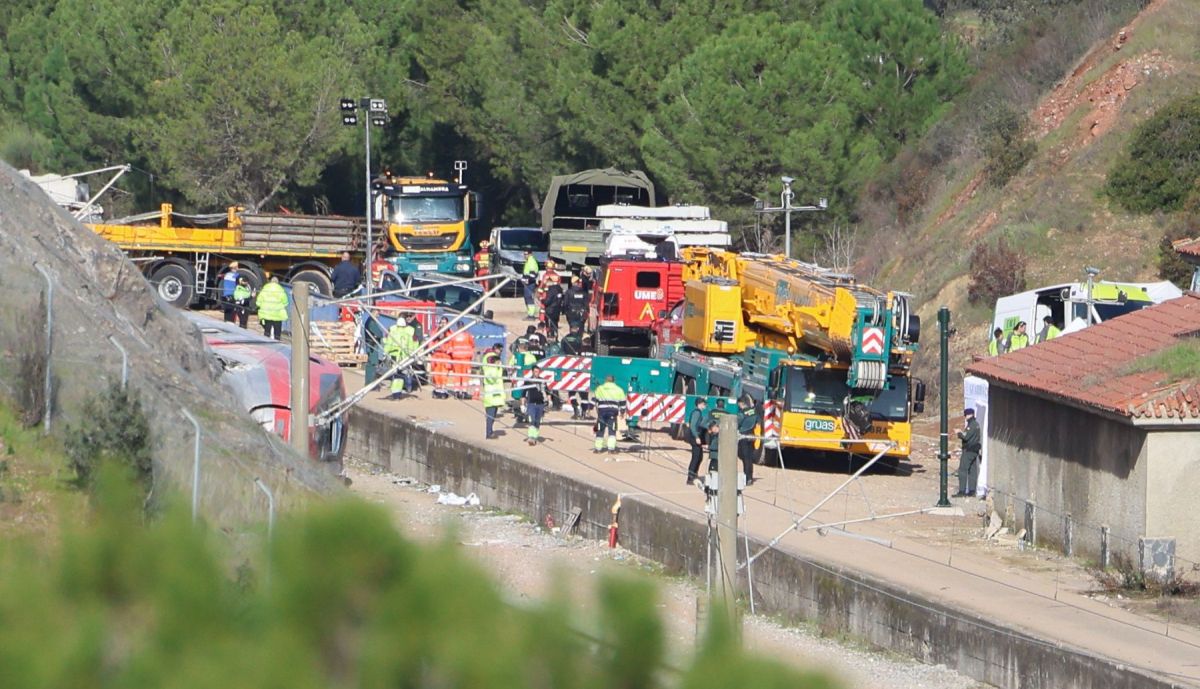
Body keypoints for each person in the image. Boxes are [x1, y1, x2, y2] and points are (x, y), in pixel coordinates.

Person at [383, 317, 418, 399]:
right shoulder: (409, 333)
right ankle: (403, 389)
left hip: (394, 356)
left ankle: (396, 392)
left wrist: (385, 353)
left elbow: (388, 343)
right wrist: (413, 354)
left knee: (396, 374)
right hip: (404, 357)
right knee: (403, 374)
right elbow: (413, 345)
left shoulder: (393, 332)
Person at [592, 375, 627, 454]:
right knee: (612, 431)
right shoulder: (619, 389)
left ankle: (598, 449)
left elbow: (594, 399)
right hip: (612, 414)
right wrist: (622, 412)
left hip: (601, 413)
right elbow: (623, 403)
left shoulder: (599, 388)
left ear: (605, 380)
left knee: (600, 430)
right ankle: (611, 449)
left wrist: (590, 408)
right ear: (614, 381)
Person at [955, 408, 982, 498]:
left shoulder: (972, 425)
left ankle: (962, 491)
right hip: (974, 450)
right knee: (972, 470)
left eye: (966, 415)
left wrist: (959, 433)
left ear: (969, 415)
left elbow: (966, 436)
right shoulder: (976, 424)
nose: (965, 417)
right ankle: (972, 490)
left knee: (963, 469)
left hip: (969, 450)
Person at [481, 351, 506, 439]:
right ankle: (489, 433)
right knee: (490, 416)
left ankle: (490, 431)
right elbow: (492, 379)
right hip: (490, 397)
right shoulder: (490, 370)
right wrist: (497, 368)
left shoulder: (497, 369)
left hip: (496, 397)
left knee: (493, 416)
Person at [685, 398, 710, 485]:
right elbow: (692, 426)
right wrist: (696, 437)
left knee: (699, 457)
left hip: (697, 437)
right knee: (696, 457)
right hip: (695, 437)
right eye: (703, 404)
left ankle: (694, 474)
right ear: (699, 404)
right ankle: (690, 477)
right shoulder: (696, 413)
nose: (705, 406)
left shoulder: (699, 413)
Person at [255, 276, 289, 340]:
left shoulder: (265, 289)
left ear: (270, 282)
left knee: (267, 331)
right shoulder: (281, 290)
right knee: (277, 332)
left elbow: (258, 303)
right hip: (277, 315)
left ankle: (266, 342)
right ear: (277, 282)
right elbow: (286, 303)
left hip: (267, 314)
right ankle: (277, 341)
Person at [523, 364, 548, 446]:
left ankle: (535, 437)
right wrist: (522, 404)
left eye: (538, 371)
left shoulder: (542, 381)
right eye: (535, 371)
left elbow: (547, 391)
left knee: (537, 421)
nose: (537, 373)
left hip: (540, 404)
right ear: (532, 372)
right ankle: (531, 437)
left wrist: (549, 400)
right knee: (532, 420)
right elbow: (523, 393)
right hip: (531, 404)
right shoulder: (528, 381)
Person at [449, 326, 477, 399]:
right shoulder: (468, 336)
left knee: (457, 375)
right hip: (466, 359)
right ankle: (464, 392)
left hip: (456, 358)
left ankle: (456, 391)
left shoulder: (454, 336)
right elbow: (473, 345)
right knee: (465, 375)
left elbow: (450, 347)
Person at [737, 398, 759, 486]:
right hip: (752, 435)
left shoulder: (741, 413)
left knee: (744, 457)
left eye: (738, 404)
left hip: (743, 436)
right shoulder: (754, 411)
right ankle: (750, 477)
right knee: (749, 458)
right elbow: (758, 422)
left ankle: (746, 478)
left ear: (741, 403)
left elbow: (737, 423)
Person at [522, 251, 539, 319]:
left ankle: (531, 315)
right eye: (524, 254)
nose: (524, 255)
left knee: (529, 298)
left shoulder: (531, 261)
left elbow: (533, 275)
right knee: (527, 298)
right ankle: (530, 313)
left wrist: (527, 280)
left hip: (530, 283)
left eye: (526, 254)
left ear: (530, 254)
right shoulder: (528, 261)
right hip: (527, 283)